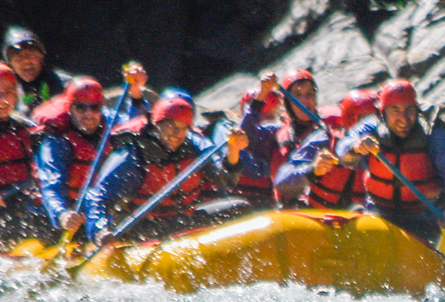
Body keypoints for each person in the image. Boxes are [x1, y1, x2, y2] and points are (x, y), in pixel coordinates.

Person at [90, 92, 248, 240]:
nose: (176, 134)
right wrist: (101, 231)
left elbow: (225, 182)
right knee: (118, 227)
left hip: (185, 220)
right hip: (146, 227)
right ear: (158, 124)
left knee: (241, 208)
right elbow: (98, 197)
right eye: (172, 126)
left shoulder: (195, 145)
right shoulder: (134, 153)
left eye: (183, 128)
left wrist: (233, 151)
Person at [339, 78, 445, 244]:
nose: (404, 118)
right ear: (383, 113)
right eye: (395, 110)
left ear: (417, 110)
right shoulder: (371, 127)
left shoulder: (433, 136)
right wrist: (356, 147)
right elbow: (343, 150)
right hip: (379, 213)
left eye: (409, 110)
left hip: (423, 218)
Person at [32, 68, 146, 239]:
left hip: (98, 211)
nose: (89, 114)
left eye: (95, 107)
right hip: (66, 213)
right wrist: (62, 214)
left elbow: (137, 125)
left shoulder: (112, 124)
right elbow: (51, 184)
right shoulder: (56, 140)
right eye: (80, 108)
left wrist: (136, 93)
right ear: (69, 108)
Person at [275, 89, 377, 209]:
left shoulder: (382, 146)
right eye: (368, 121)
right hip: (319, 217)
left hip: (358, 219)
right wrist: (312, 170)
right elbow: (282, 182)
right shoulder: (325, 140)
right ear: (351, 120)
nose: (374, 127)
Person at [232, 67, 316, 206]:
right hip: (291, 210)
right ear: (287, 102)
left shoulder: (326, 128)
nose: (303, 101)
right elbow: (246, 140)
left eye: (309, 94)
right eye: (297, 95)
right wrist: (262, 95)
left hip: (322, 208)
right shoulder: (275, 133)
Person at [0, 67, 43, 243]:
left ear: (17, 94)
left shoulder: (26, 128)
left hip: (20, 198)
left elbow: (41, 164)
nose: (3, 99)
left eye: (8, 92)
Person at [5, 28, 64, 111]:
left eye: (31, 56)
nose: (27, 61)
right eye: (19, 58)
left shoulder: (64, 85)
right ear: (10, 64)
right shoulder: (5, 91)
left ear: (42, 56)